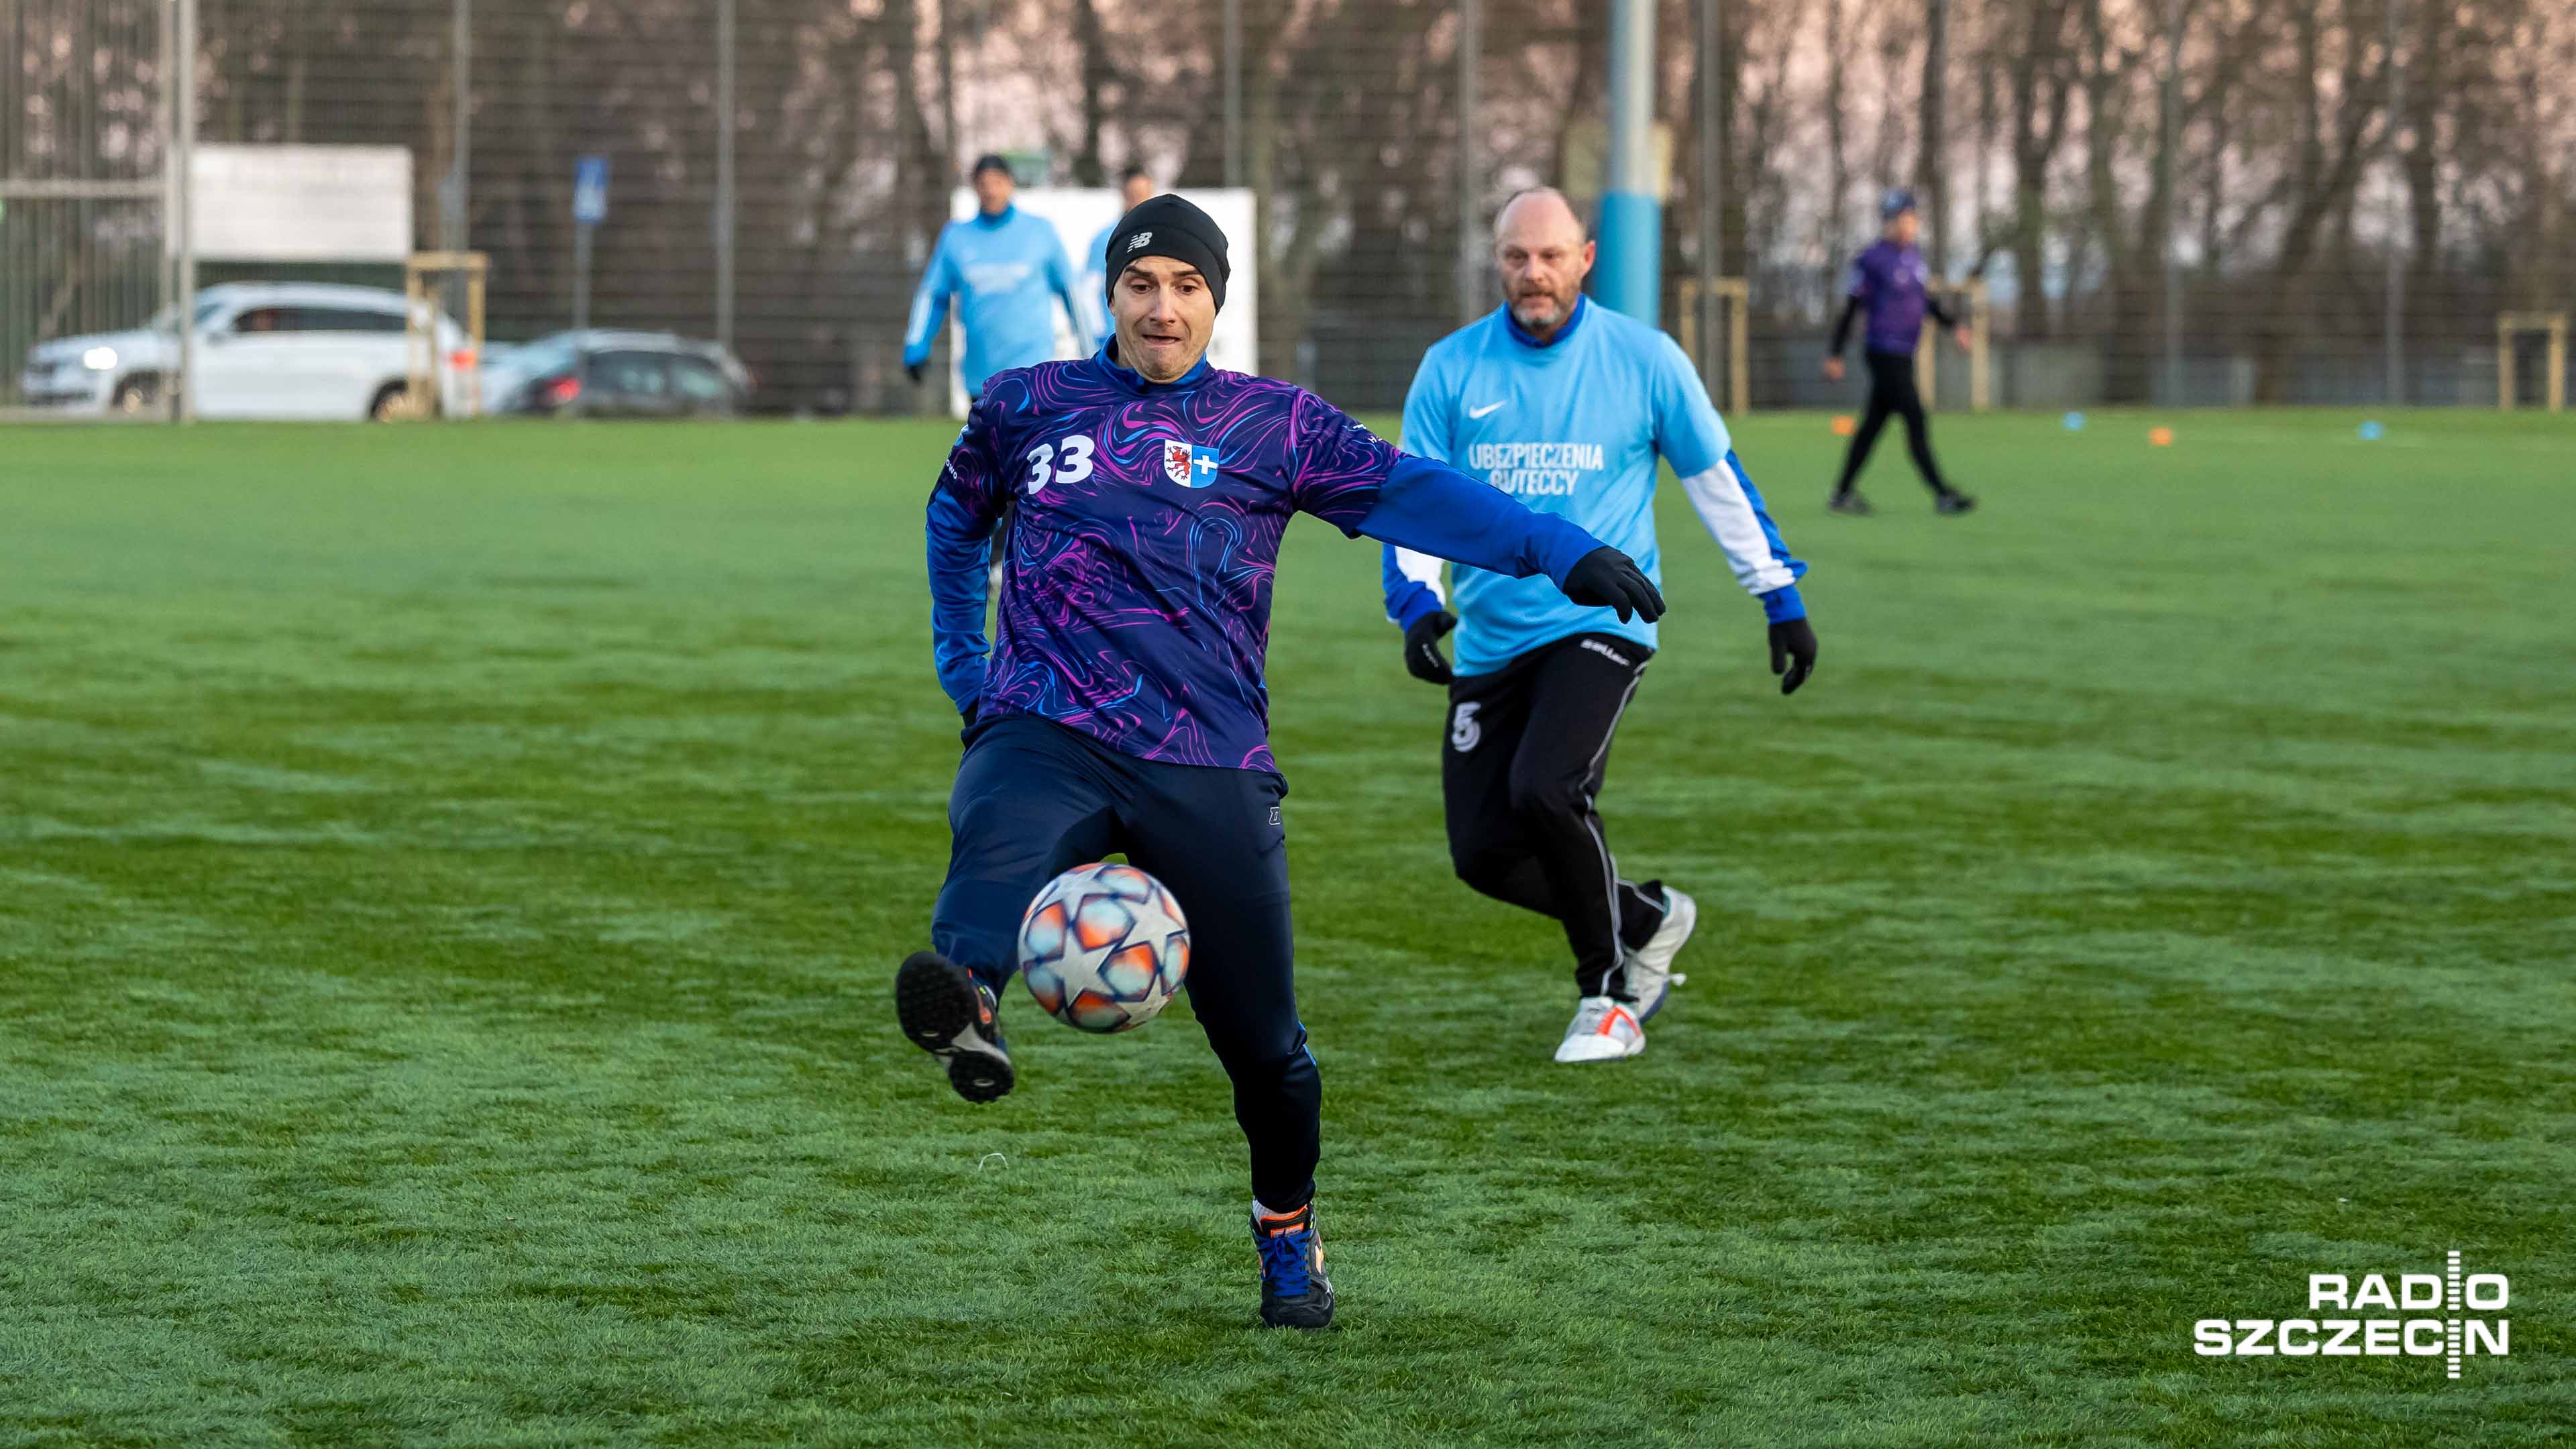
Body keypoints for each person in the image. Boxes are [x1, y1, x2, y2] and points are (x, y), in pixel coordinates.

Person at [898, 195, 1666, 1331]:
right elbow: (955, 522)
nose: (1163, 309)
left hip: (1205, 753)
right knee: (996, 828)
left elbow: (1414, 491)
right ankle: (968, 997)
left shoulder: (1274, 425)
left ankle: (1288, 1233)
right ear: (1110, 293)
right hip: (1046, 720)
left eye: (1186, 287)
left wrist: (1558, 548)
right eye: (1141, 285)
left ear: (1217, 301)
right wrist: (970, 671)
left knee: (1271, 1053)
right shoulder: (1025, 404)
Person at [1381, 188, 1817, 1065]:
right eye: (1516, 257)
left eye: (1551, 256)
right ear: (1497, 262)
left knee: (1547, 788)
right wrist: (1417, 602)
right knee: (1484, 855)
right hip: (1491, 637)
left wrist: (1778, 595)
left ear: (1585, 259)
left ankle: (1608, 995)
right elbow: (1412, 499)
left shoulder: (1646, 360)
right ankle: (1648, 918)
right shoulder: (1451, 368)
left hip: (1604, 622)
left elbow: (1716, 479)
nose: (1533, 274)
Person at [1823, 189, 1977, 516]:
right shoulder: (1871, 260)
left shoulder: (1915, 257)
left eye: (1911, 219)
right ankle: (1943, 493)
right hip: (1883, 352)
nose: (1907, 225)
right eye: (1900, 219)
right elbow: (1851, 308)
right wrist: (1835, 352)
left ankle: (1842, 493)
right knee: (1915, 417)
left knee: (1872, 426)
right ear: (1888, 223)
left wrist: (1954, 327)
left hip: (1904, 354)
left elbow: (1927, 301)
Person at [902, 154, 1095, 399]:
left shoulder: (1040, 232)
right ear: (975, 187)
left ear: (1010, 184)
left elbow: (1072, 293)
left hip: (1033, 374)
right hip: (982, 377)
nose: (991, 191)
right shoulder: (956, 237)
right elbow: (933, 295)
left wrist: (1092, 353)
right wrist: (917, 344)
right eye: (984, 184)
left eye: (997, 182)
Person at [1082, 165, 1158, 347]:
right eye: (1135, 194)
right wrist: (1097, 336)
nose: (1141, 200)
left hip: (1154, 339)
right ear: (1124, 194)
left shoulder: (1164, 237)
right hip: (1116, 341)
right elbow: (1089, 290)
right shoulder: (1106, 238)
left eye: (1145, 194)